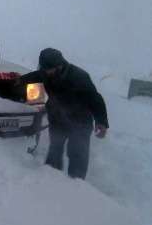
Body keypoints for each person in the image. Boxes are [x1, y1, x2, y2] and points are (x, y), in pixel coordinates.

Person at [19, 48, 109, 179]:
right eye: (43, 68)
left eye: (47, 69)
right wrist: (19, 80)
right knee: (55, 149)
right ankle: (51, 179)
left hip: (80, 123)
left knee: (77, 153)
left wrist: (101, 122)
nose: (45, 71)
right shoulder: (45, 72)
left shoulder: (79, 76)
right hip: (57, 120)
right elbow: (35, 76)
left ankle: (76, 185)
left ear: (58, 65)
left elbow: (96, 99)